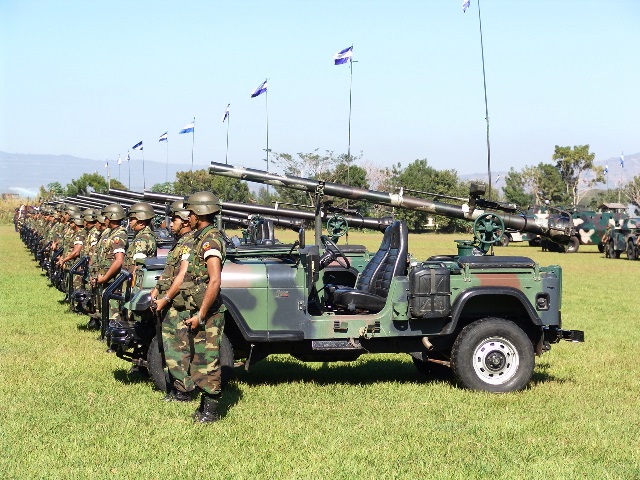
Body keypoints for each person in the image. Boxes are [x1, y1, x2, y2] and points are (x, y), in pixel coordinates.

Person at [180, 191, 227, 423]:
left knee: (208, 361)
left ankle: (211, 412)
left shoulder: (211, 241)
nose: (187, 216)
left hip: (208, 314)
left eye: (190, 212)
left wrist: (201, 314)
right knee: (199, 360)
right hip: (199, 311)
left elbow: (214, 280)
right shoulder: (200, 238)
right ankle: (203, 406)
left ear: (199, 213)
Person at [150, 200, 196, 401]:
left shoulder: (190, 242)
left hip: (179, 303)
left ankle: (184, 391)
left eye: (175, 219)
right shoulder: (180, 242)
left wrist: (166, 298)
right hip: (171, 301)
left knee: (179, 347)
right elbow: (169, 273)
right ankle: (177, 387)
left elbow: (183, 274)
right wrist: (156, 289)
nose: (171, 223)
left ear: (186, 220)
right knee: (170, 347)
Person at [94, 204, 128, 324]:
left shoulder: (119, 234)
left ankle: (114, 335)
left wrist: (105, 278)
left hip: (113, 279)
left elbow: (118, 261)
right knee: (106, 305)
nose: (104, 221)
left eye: (106, 218)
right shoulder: (111, 233)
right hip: (107, 277)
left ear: (112, 217)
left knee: (113, 309)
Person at [123, 202, 157, 273]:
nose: (130, 222)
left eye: (132, 219)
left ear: (141, 222)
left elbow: (138, 265)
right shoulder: (142, 235)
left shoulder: (143, 238)